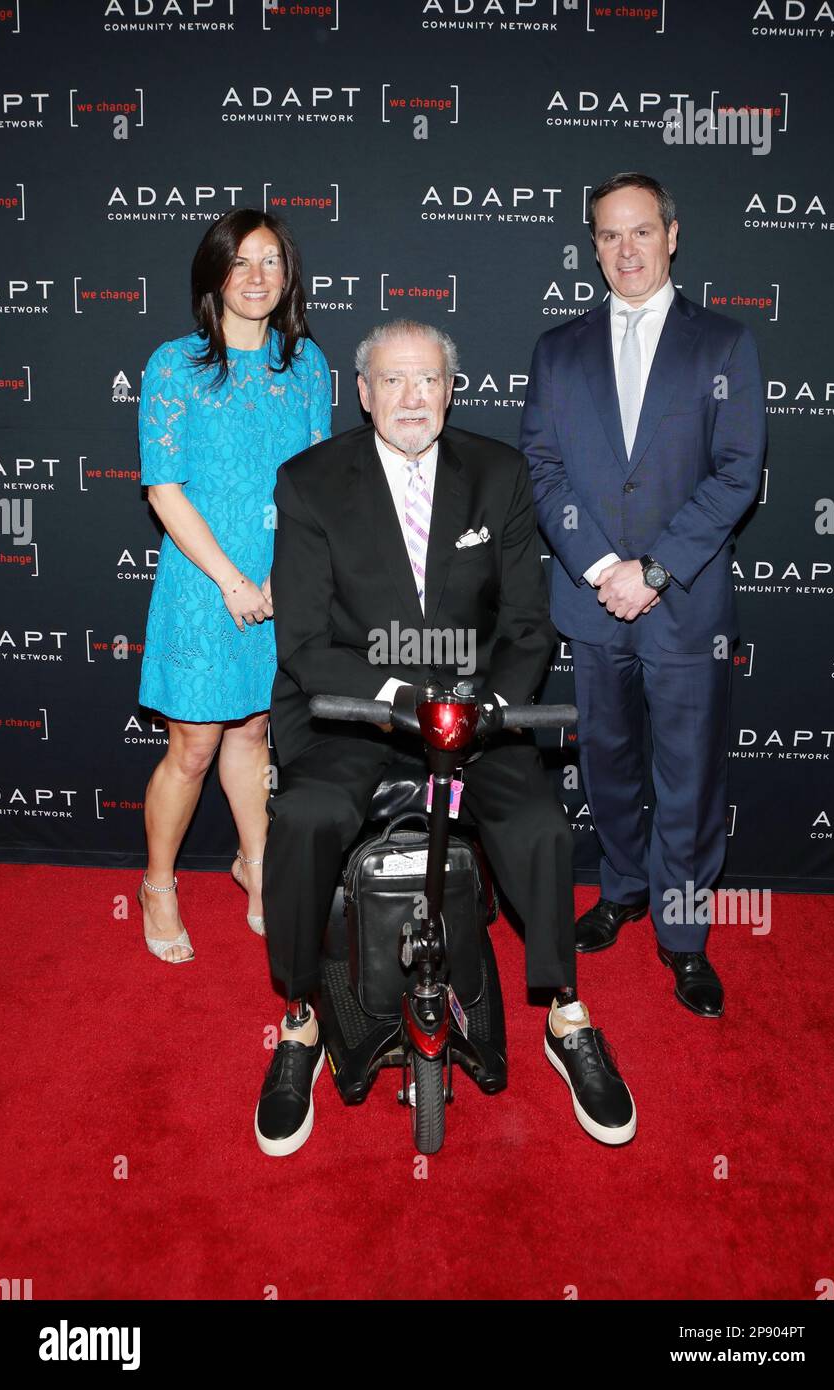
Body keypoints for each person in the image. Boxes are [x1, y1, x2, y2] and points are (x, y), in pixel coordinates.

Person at [255, 318, 638, 1157]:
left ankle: (566, 1015)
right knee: (306, 820)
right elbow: (307, 645)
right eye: (391, 381)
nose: (411, 398)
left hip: (478, 712)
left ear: (451, 387)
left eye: (427, 379)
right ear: (363, 394)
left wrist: (483, 706)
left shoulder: (497, 475)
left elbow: (528, 625)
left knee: (539, 826)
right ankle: (298, 1022)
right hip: (357, 712)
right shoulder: (309, 483)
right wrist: (401, 700)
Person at [520, 172, 766, 1017]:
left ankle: (686, 934)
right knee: (610, 763)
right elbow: (543, 469)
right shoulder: (559, 348)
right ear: (592, 247)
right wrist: (600, 569)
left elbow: (738, 475)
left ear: (672, 234)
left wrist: (652, 571)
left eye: (641, 232)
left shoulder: (724, 344)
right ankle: (623, 889)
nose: (626, 250)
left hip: (684, 602)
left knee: (691, 775)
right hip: (591, 601)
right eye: (609, 236)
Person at [137, 209, 331, 963]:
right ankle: (158, 884)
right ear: (213, 273)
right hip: (202, 583)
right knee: (192, 744)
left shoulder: (304, 363)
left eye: (273, 262)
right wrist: (232, 580)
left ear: (289, 277)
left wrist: (283, 576)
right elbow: (163, 489)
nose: (258, 278)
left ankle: (256, 867)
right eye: (242, 262)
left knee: (254, 729)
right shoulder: (173, 365)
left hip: (283, 580)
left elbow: (315, 482)